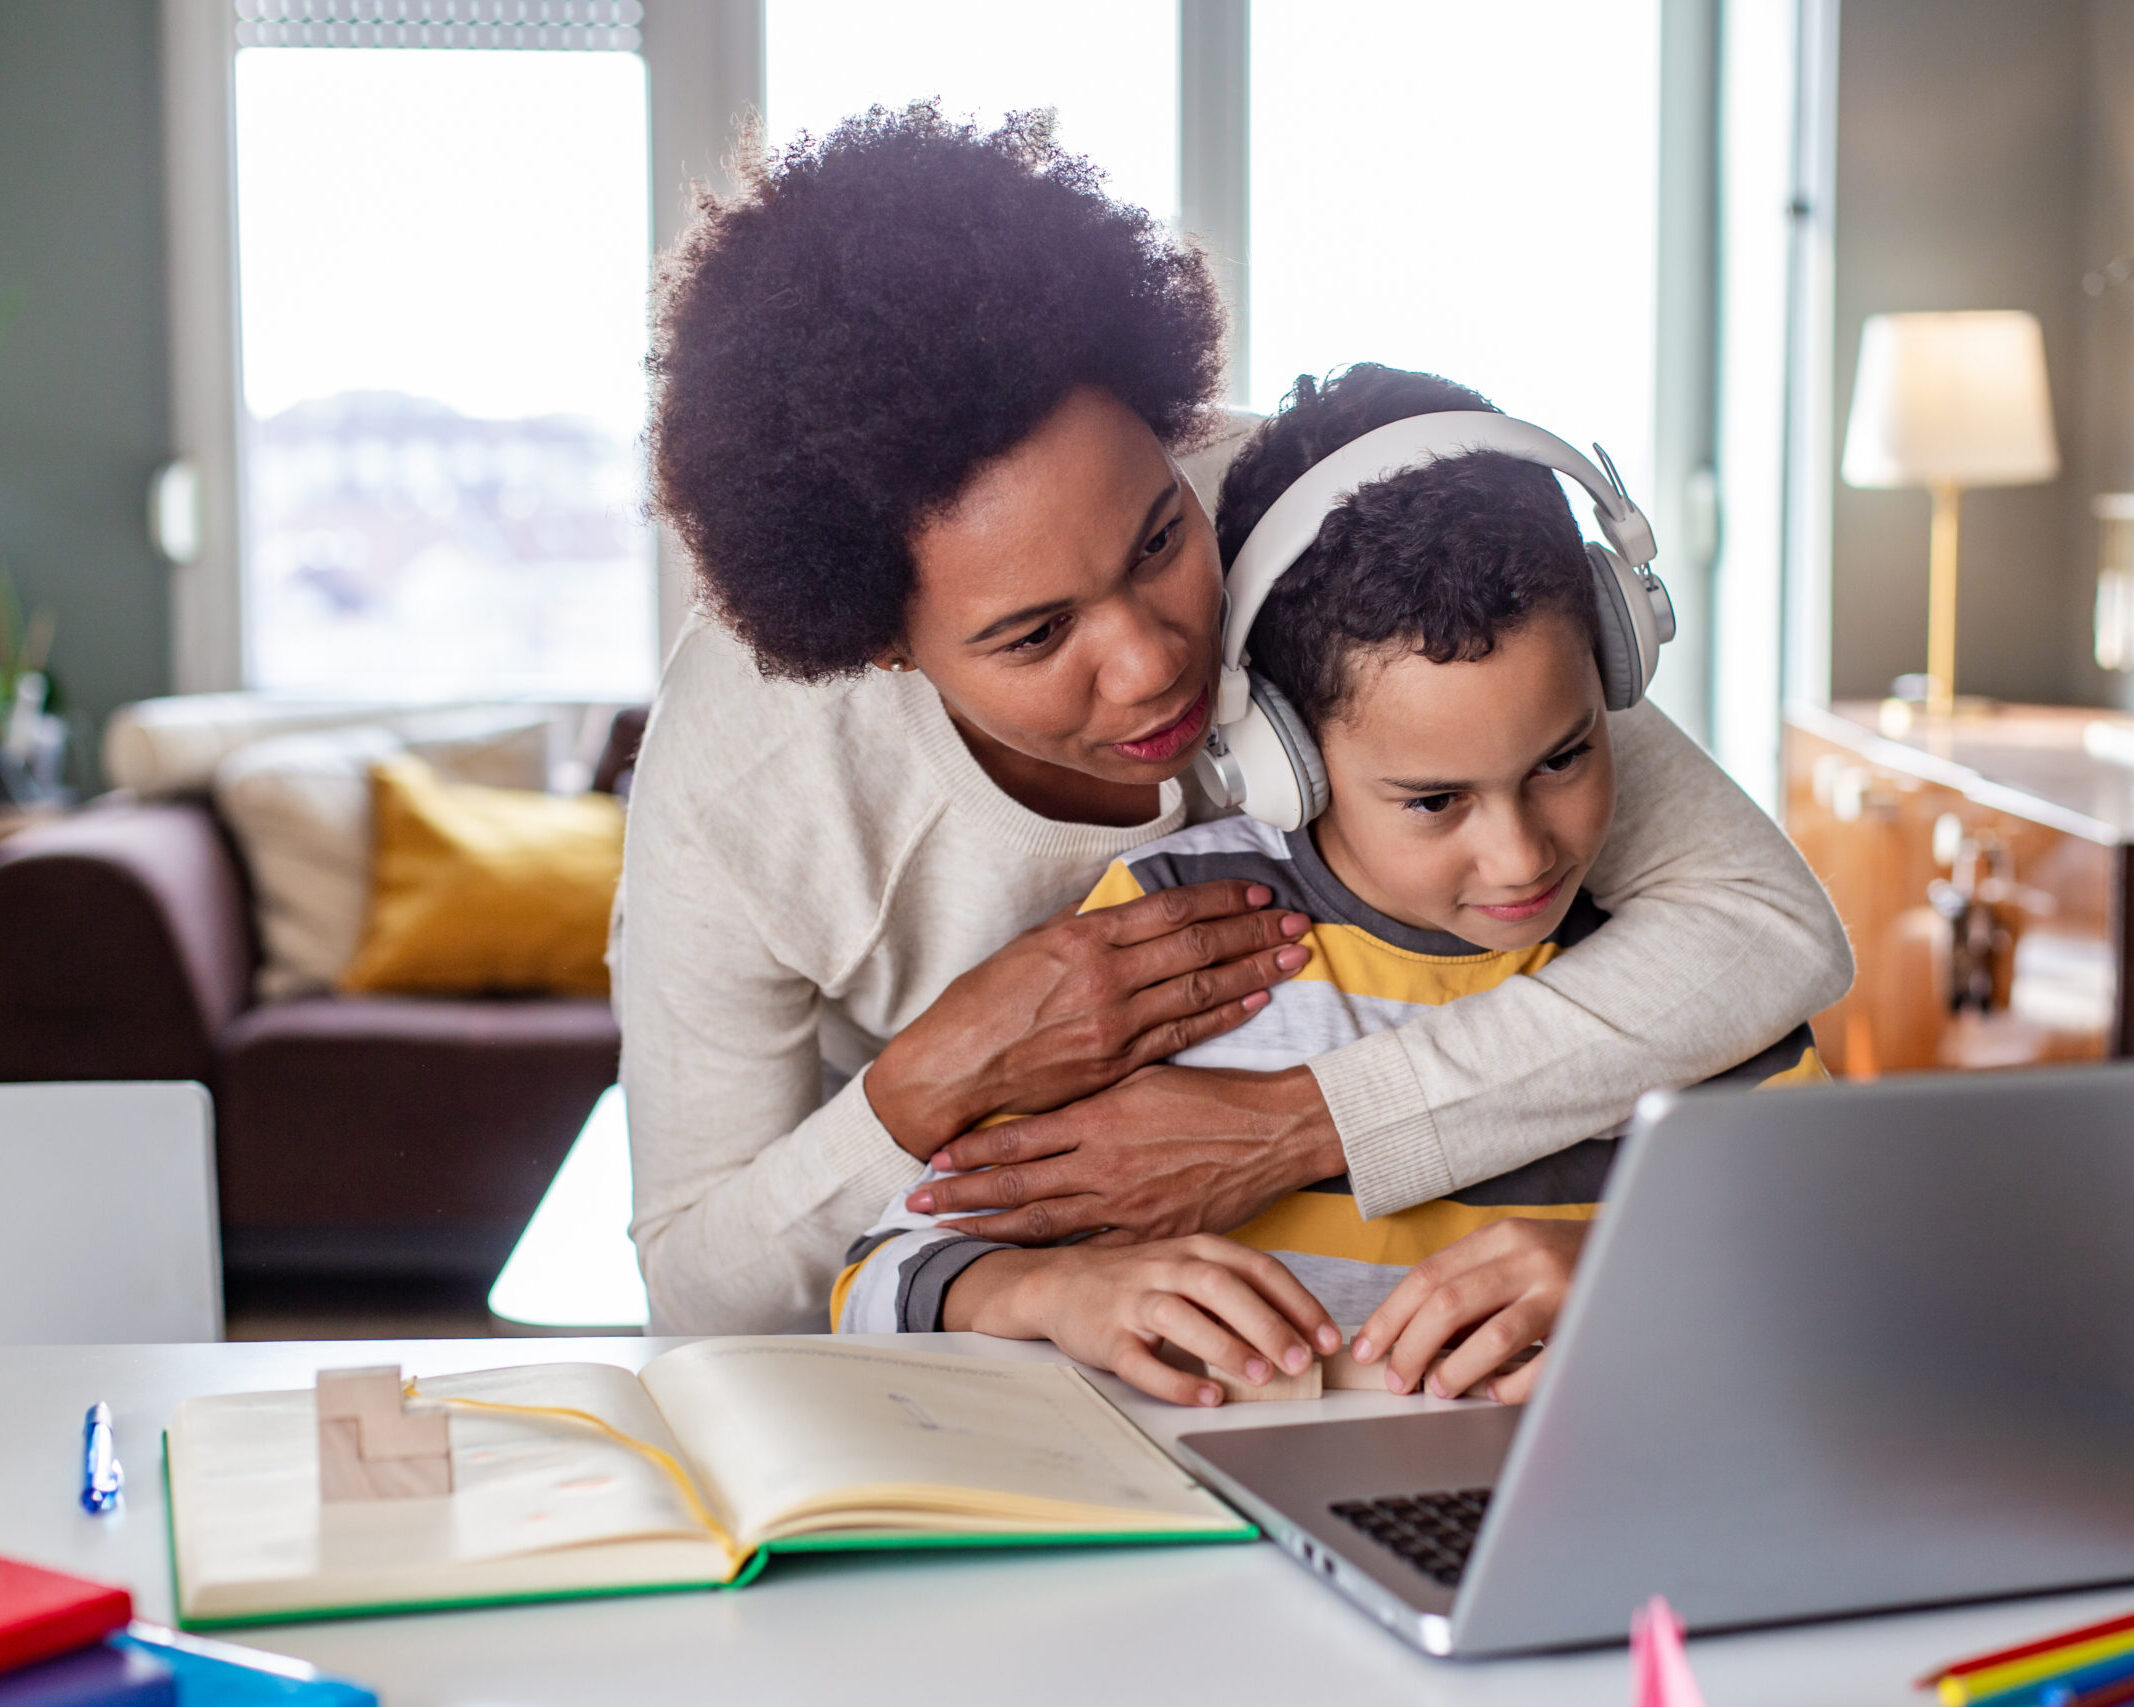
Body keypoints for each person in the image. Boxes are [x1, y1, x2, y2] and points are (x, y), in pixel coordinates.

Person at [623, 104, 1852, 1334]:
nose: (1156, 660)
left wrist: (1303, 1126)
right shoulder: (748, 789)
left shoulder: (1318, 528)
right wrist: (925, 1085)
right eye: (1038, 636)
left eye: (1159, 538)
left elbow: (1760, 931)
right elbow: (698, 1285)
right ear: (879, 645)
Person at [831, 365, 1828, 1406]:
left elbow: (1856, 1279)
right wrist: (1049, 1289)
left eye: (1563, 757)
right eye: (1434, 801)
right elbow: (875, 1277)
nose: (1522, 857)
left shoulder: (1671, 978)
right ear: (1278, 758)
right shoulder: (1160, 946)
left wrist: (1633, 1276)